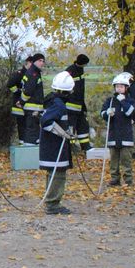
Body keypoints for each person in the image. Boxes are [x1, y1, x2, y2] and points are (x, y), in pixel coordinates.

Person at [38, 71, 76, 215]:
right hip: (55, 147)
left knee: (53, 174)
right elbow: (46, 121)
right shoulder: (59, 105)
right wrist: (62, 133)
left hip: (51, 146)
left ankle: (51, 201)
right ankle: (53, 204)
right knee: (57, 175)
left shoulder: (52, 101)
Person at [101, 73, 135, 186]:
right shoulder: (110, 101)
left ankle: (128, 180)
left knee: (126, 159)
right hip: (113, 134)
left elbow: (131, 113)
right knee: (114, 160)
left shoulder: (130, 101)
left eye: (121, 87)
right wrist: (107, 114)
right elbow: (102, 113)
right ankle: (114, 179)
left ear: (126, 88)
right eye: (117, 86)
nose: (119, 89)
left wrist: (123, 102)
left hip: (125, 135)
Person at [63, 53, 92, 151]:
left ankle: (85, 146)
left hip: (80, 105)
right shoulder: (69, 71)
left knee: (83, 126)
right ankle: (70, 147)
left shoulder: (80, 69)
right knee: (71, 127)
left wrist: (83, 106)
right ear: (83, 63)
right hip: (71, 106)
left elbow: (81, 89)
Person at [20, 53, 46, 144]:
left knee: (34, 132)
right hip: (32, 108)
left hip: (33, 107)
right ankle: (28, 153)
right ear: (34, 61)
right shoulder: (33, 73)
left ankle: (31, 152)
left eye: (43, 61)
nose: (42, 63)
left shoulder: (34, 72)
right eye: (40, 61)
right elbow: (28, 91)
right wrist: (21, 101)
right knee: (32, 132)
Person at [6, 56, 31, 145]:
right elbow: (10, 84)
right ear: (27, 63)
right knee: (21, 125)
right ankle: (22, 143)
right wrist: (17, 91)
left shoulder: (31, 74)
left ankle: (26, 144)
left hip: (27, 104)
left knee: (28, 125)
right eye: (31, 63)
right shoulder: (19, 73)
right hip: (18, 104)